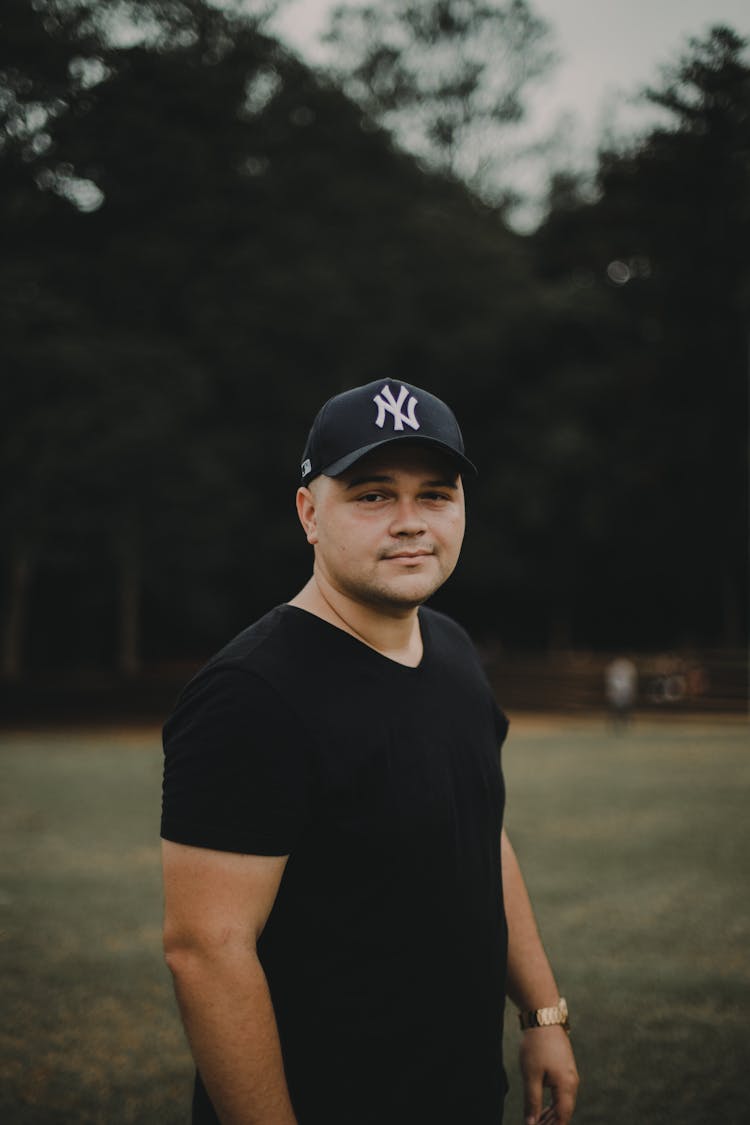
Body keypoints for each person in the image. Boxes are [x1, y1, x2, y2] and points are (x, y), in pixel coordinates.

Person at [161, 380, 579, 1125]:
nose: (411, 523)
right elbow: (207, 950)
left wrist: (541, 1011)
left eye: (436, 495)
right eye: (373, 495)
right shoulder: (251, 694)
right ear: (308, 513)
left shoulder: (450, 648)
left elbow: (480, 831)